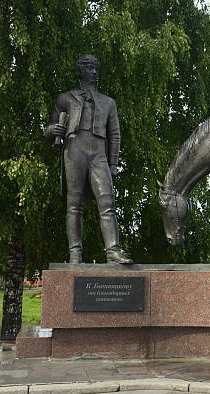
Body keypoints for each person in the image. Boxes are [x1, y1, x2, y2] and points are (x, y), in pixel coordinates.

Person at [44, 54, 132, 264]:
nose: (93, 72)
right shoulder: (65, 99)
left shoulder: (108, 102)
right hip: (74, 150)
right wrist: (51, 130)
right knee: (74, 205)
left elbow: (115, 135)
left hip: (98, 153)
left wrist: (113, 164)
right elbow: (49, 127)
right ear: (80, 72)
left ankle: (113, 252)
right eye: (89, 68)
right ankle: (75, 254)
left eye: (95, 68)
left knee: (107, 202)